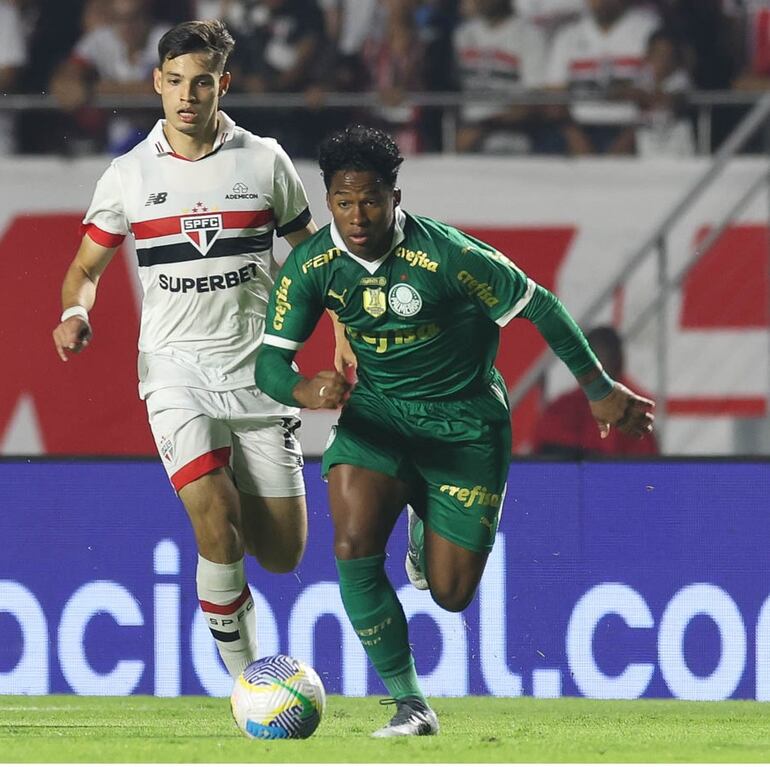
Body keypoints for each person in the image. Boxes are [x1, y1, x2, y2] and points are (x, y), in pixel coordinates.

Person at [254, 124, 655, 736]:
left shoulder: (449, 256)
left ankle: (425, 518)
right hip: (379, 419)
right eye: (342, 201)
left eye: (370, 200)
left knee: (451, 593)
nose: (356, 215)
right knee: (352, 543)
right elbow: (268, 364)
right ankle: (410, 703)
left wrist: (599, 390)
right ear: (328, 198)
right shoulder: (314, 267)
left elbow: (540, 305)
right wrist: (306, 390)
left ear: (394, 194)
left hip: (465, 427)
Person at [51, 19, 334, 681]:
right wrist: (73, 311)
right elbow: (84, 269)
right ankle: (249, 682)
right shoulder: (129, 174)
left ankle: (236, 479)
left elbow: (317, 259)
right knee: (214, 515)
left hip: (260, 377)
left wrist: (342, 337)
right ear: (156, 82)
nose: (186, 94)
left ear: (222, 85)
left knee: (284, 553)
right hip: (175, 373)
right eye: (174, 80)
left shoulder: (265, 161)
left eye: (201, 81)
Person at [533, 326, 659, 457]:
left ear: (617, 361)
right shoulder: (565, 405)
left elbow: (643, 464)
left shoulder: (635, 407)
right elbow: (544, 444)